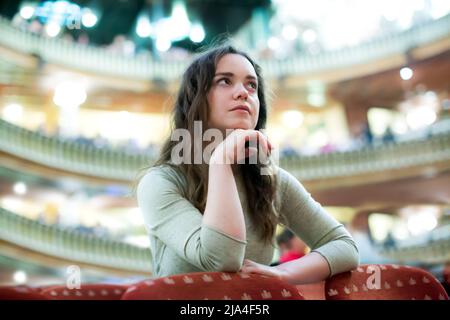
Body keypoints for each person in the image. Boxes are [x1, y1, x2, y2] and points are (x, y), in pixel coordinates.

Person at [136, 44, 359, 285]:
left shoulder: (273, 181)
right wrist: (221, 161)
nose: (243, 92)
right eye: (224, 81)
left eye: (251, 85)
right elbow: (222, 260)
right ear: (196, 98)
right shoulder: (160, 182)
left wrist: (284, 272)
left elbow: (345, 246)